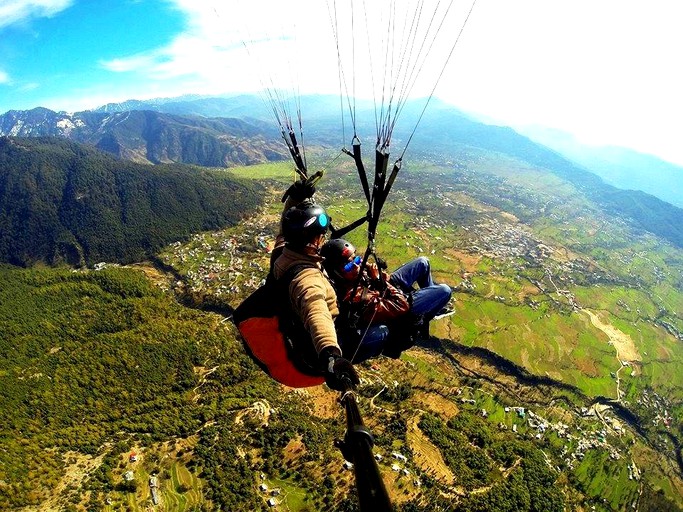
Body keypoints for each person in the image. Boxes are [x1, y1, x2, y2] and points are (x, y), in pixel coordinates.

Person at [271, 181, 360, 391]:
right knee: (382, 332)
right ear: (313, 242)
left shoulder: (283, 253)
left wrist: (294, 199)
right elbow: (316, 310)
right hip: (315, 351)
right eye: (321, 236)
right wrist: (330, 355)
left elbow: (284, 232)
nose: (323, 240)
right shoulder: (307, 278)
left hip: (299, 332)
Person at [321, 238, 453, 360]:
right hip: (396, 305)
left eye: (356, 260)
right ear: (336, 272)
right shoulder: (354, 297)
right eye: (349, 266)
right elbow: (401, 305)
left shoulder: (354, 273)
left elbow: (385, 278)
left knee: (423, 262)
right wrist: (378, 280)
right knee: (444, 291)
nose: (356, 267)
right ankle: (421, 318)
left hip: (385, 291)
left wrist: (367, 266)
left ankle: (428, 311)